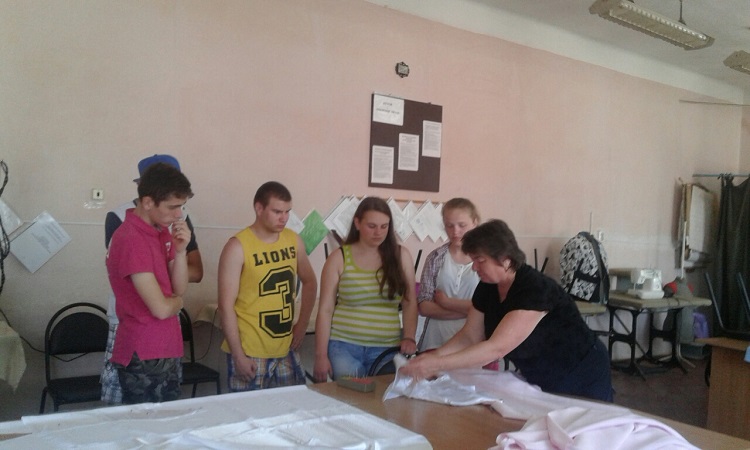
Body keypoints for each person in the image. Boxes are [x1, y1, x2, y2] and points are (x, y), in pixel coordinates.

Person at [401, 219, 613, 402]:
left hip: (582, 371)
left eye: (480, 260)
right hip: (540, 373)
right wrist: (431, 358)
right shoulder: (487, 287)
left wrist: (437, 365)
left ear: (505, 260)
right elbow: (470, 336)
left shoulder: (534, 289)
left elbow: (496, 349)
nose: (474, 267)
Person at [101, 154, 203, 405]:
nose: (179, 214)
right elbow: (161, 308)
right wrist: (177, 303)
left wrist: (181, 251)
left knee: (168, 419)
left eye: (182, 206)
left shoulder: (160, 230)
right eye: (172, 207)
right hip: (143, 348)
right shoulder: (131, 238)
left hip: (166, 343)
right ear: (147, 202)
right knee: (147, 424)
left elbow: (179, 287)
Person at [218, 181, 317, 391]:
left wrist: (302, 324)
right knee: (249, 409)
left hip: (285, 347)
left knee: (294, 407)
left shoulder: (293, 240)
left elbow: (310, 281)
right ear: (259, 208)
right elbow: (225, 305)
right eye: (277, 212)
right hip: (250, 349)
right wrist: (238, 354)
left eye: (287, 212)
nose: (284, 218)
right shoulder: (237, 246)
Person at [314, 197, 418, 382]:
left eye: (384, 226)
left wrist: (409, 337)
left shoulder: (401, 256)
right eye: (372, 226)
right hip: (344, 345)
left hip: (387, 348)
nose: (378, 232)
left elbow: (410, 302)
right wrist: (321, 355)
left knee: (383, 396)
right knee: (351, 395)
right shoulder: (339, 257)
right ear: (357, 223)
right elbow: (325, 309)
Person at [417, 198, 481, 351]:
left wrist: (446, 303)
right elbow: (424, 306)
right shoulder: (435, 257)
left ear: (475, 222)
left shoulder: (486, 259)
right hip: (435, 342)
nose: (455, 231)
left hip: (473, 344)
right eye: (449, 225)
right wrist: (469, 311)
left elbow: (490, 306)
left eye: (462, 225)